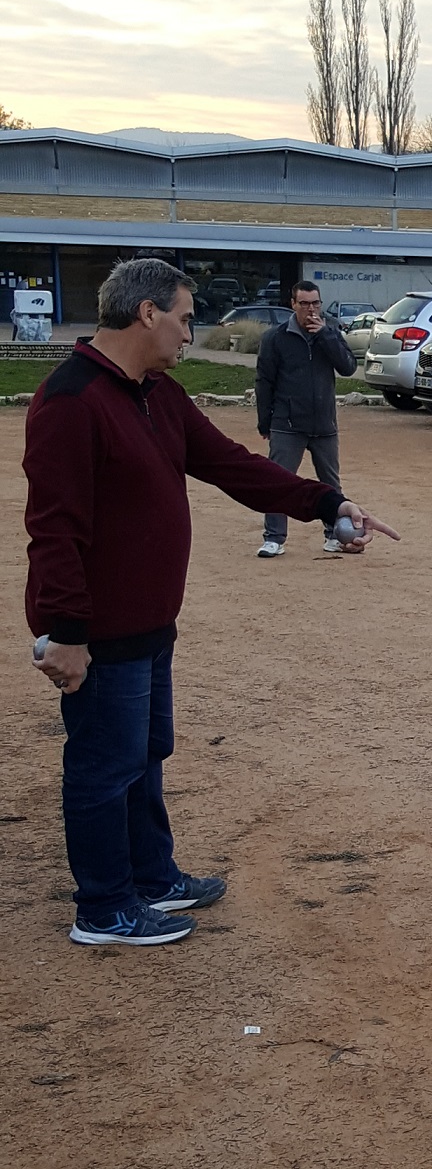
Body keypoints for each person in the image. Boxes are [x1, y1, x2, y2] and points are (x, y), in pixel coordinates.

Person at [24, 255, 396, 947]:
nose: (190, 335)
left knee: (146, 752)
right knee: (104, 766)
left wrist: (325, 501)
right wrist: (66, 631)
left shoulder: (155, 390)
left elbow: (230, 464)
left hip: (148, 622)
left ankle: (151, 874)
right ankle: (103, 908)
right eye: (187, 319)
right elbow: (55, 529)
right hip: (98, 631)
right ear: (147, 313)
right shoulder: (71, 401)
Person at [254, 279, 356, 555]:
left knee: (330, 484)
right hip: (287, 424)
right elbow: (264, 382)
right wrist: (265, 422)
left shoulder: (331, 332)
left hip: (324, 424)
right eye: (304, 304)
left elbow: (348, 367)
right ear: (293, 305)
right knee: (279, 481)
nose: (311, 310)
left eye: (316, 303)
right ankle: (274, 538)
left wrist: (325, 335)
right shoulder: (275, 338)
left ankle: (334, 535)